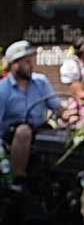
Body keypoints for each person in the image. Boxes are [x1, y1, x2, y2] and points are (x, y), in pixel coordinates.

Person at [1, 41, 62, 179]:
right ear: (14, 64)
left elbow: (57, 107)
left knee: (59, 135)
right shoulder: (3, 89)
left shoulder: (41, 81)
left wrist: (69, 115)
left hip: (38, 129)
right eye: (27, 62)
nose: (31, 66)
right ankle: (18, 178)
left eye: (31, 61)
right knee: (23, 131)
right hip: (12, 134)